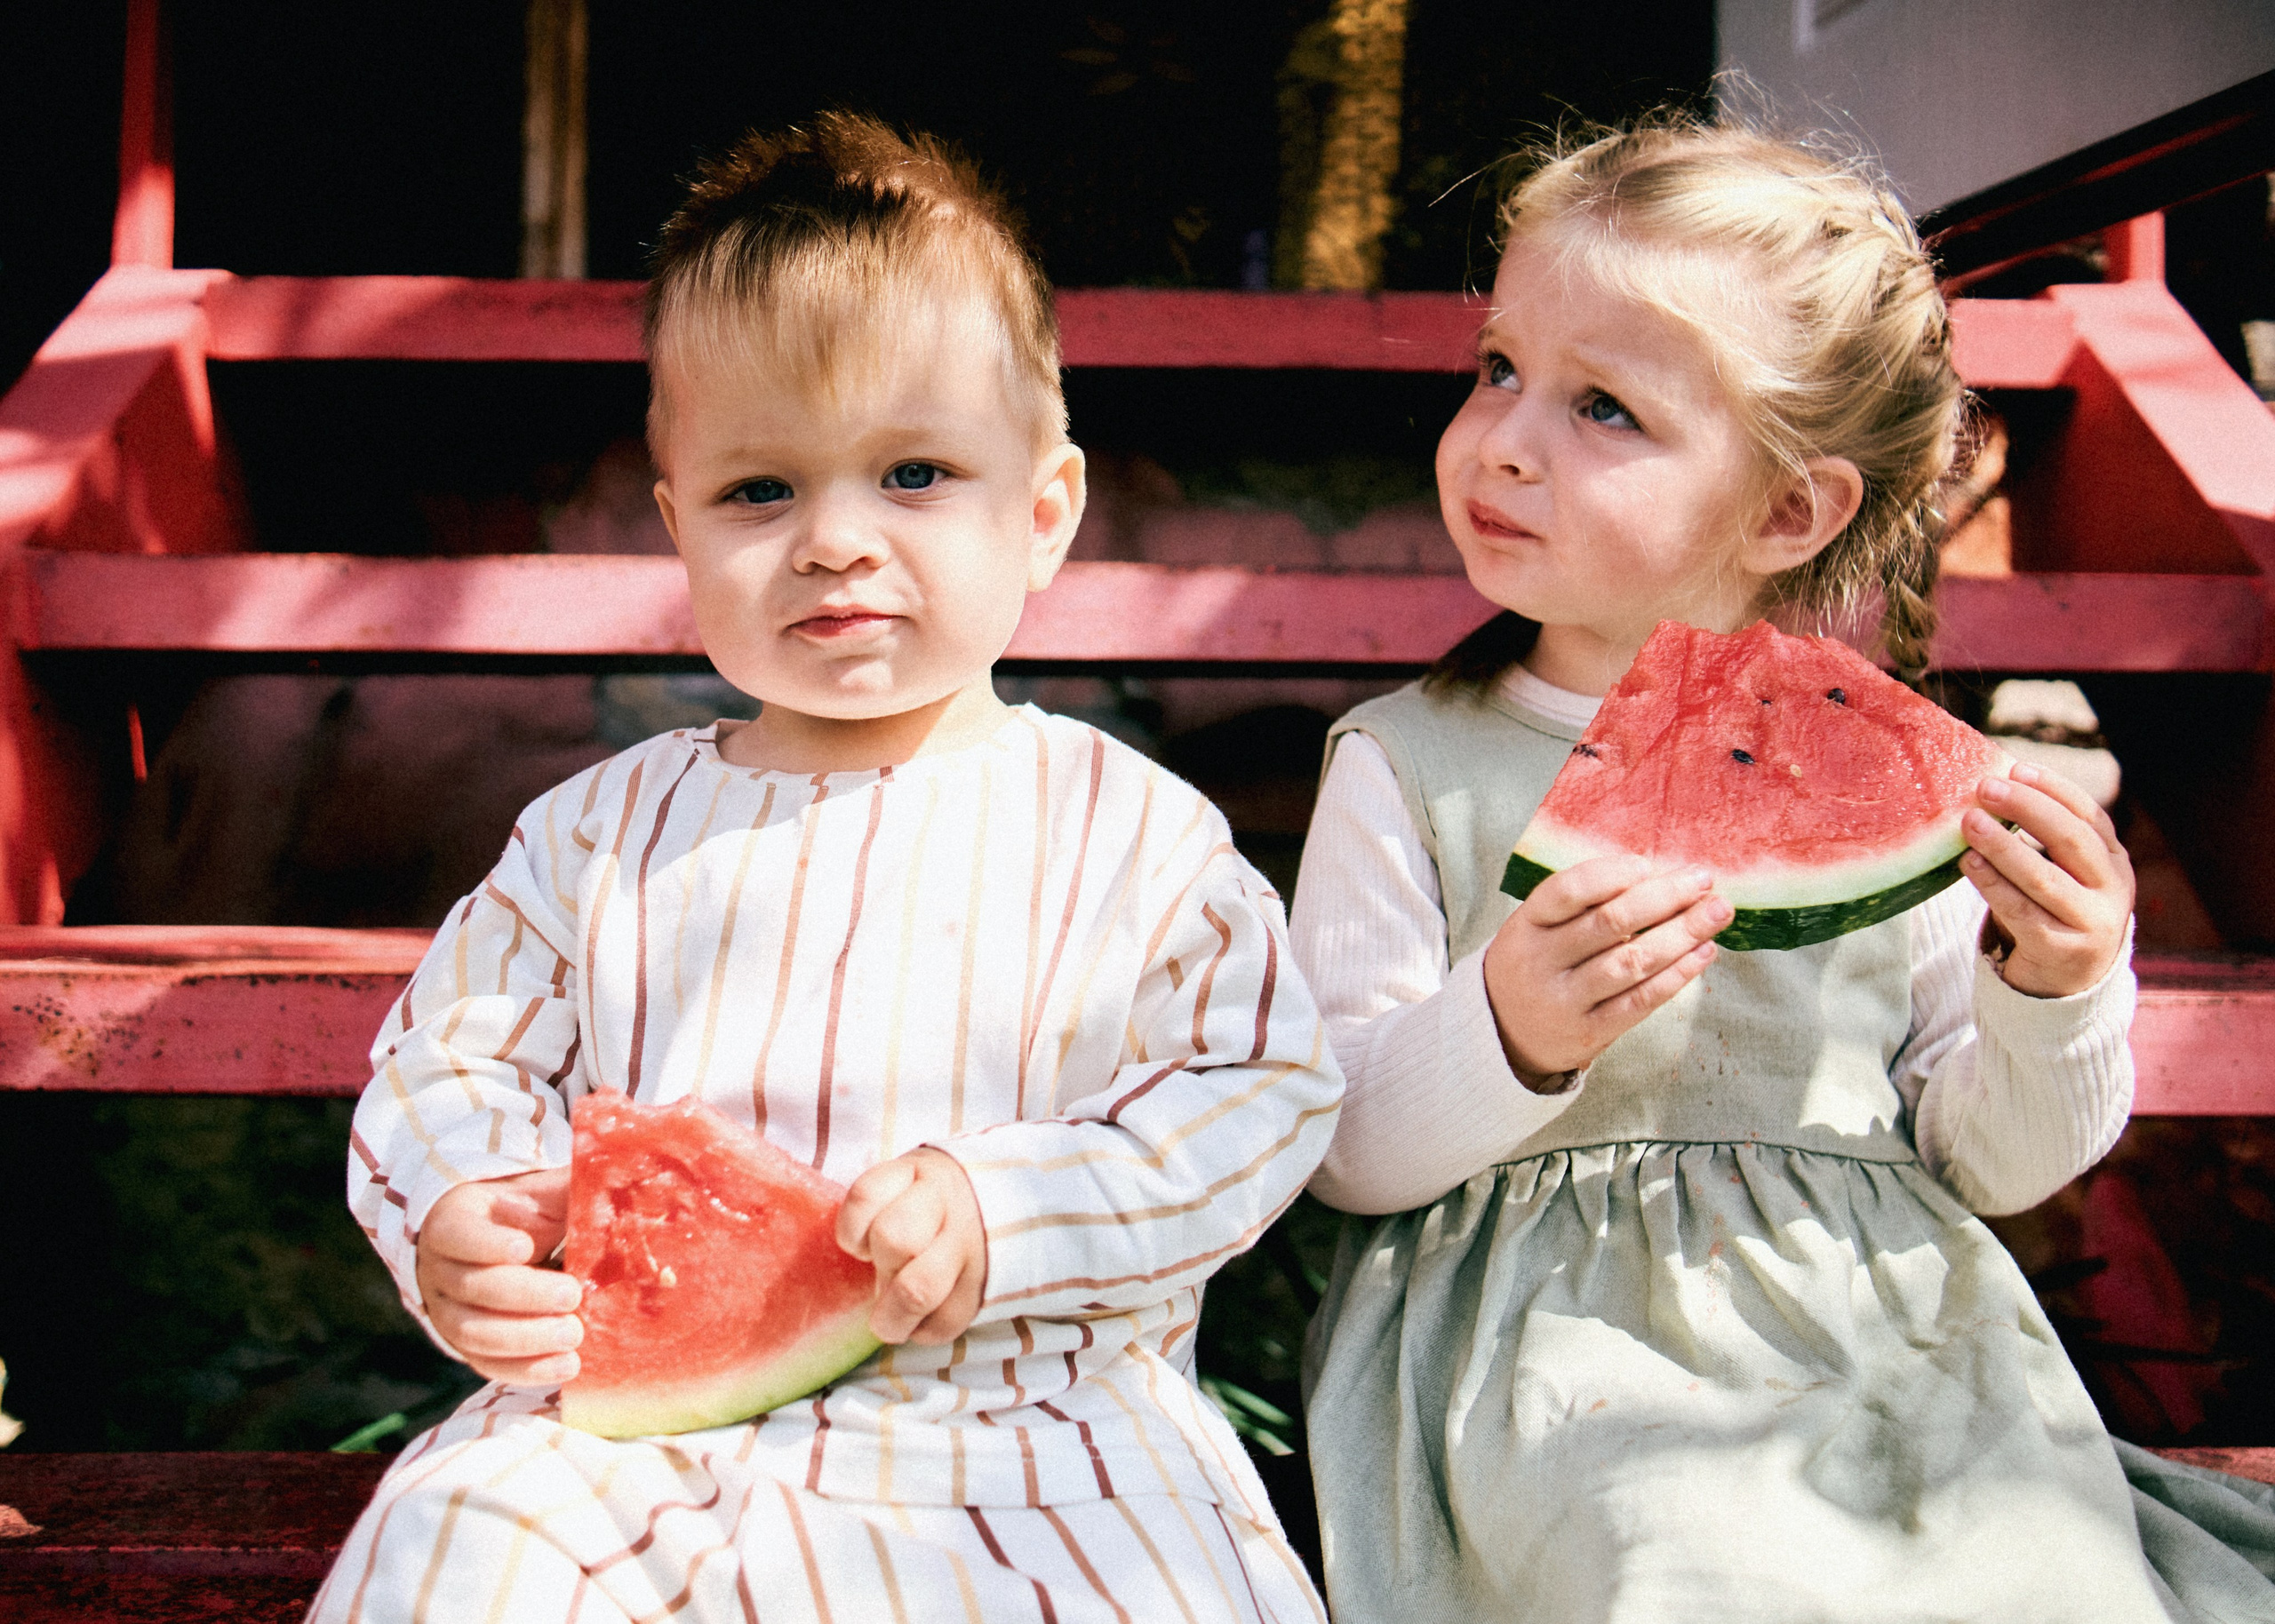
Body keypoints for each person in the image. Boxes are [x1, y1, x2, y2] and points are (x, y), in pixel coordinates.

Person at [311, 113, 1337, 1624]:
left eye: (912, 474)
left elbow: (1257, 1086)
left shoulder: (1134, 831)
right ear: (676, 529)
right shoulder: (599, 832)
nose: (835, 542)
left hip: (1034, 1436)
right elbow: (447, 1061)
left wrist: (1022, 1208)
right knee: (459, 1544)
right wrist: (458, 1210)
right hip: (631, 1440)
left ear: (1043, 514)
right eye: (759, 493)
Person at [1290, 115, 2275, 1622]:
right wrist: (1505, 1030)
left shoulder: (1896, 778)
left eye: (1603, 408)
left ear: (1789, 509)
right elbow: (1343, 1142)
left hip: (1900, 1341)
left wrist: (2061, 991)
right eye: (1498, 369)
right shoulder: (1403, 761)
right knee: (1687, 1574)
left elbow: (1997, 1165)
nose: (1504, 438)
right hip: (1556, 1358)